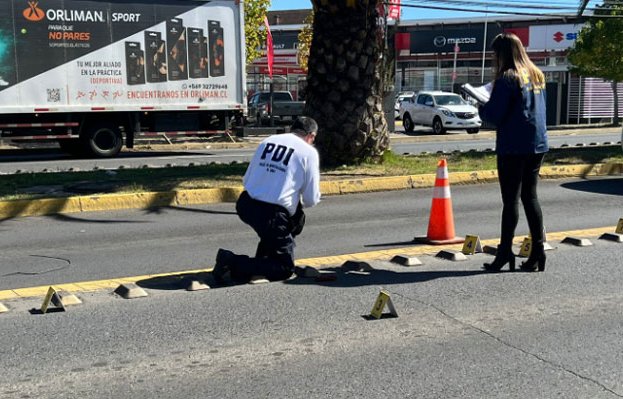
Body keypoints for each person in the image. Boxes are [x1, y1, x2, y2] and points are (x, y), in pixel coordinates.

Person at [212, 116, 321, 284]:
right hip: (272, 214)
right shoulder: (308, 152)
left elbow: (247, 179)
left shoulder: (269, 141)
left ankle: (264, 257)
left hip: (246, 203)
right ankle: (230, 261)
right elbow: (311, 198)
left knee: (292, 221)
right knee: (284, 268)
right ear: (311, 136)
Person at [478, 32, 549, 272]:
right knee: (530, 197)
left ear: (503, 54)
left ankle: (505, 252)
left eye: (495, 54)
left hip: (513, 145)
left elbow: (493, 115)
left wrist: (481, 107)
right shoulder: (536, 75)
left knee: (510, 200)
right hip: (537, 144)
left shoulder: (507, 78)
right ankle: (538, 253)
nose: (493, 59)